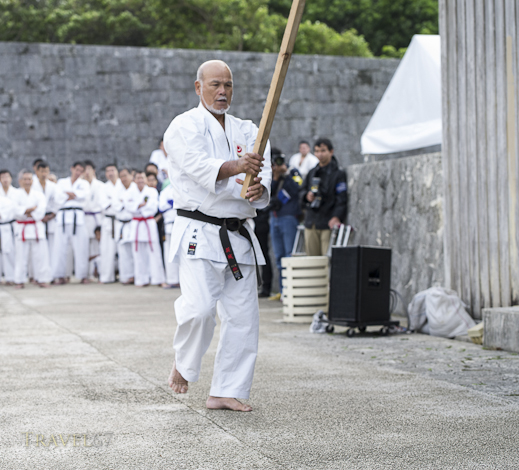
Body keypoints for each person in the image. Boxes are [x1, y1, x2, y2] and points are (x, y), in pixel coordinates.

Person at [163, 59, 271, 412]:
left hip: (239, 235)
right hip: (200, 231)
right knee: (199, 311)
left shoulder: (249, 129)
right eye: (214, 85)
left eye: (227, 85)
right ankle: (184, 361)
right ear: (199, 88)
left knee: (243, 319)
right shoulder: (183, 126)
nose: (222, 91)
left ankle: (225, 389)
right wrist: (238, 167)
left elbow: (262, 167)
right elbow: (197, 168)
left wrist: (259, 187)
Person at [300, 138, 347, 256]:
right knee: (312, 261)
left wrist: (336, 216)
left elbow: (341, 198)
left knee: (327, 261)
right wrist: (307, 197)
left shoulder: (338, 174)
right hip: (311, 221)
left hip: (328, 222)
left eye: (323, 151)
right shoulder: (312, 172)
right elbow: (301, 192)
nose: (319, 154)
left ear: (331, 151)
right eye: (316, 151)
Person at [269, 149, 302, 298]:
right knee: (279, 257)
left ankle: (292, 291)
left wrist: (286, 173)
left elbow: (299, 188)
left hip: (288, 217)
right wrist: (275, 177)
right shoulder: (270, 175)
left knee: (290, 255)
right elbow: (267, 195)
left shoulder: (293, 172)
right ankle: (284, 293)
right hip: (274, 218)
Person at [123, 171, 165, 287]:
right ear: (134, 179)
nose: (140, 180)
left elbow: (153, 207)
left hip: (148, 222)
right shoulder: (129, 192)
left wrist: (137, 207)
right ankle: (141, 279)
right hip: (136, 223)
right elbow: (128, 207)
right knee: (138, 253)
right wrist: (139, 205)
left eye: (142, 178)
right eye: (138, 178)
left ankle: (158, 278)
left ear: (146, 179)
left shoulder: (152, 191)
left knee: (154, 251)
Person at [52, 161, 91, 284]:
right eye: (77, 169)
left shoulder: (84, 183)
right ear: (72, 169)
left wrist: (70, 194)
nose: (78, 172)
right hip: (63, 217)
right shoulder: (62, 182)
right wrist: (74, 196)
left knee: (81, 247)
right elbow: (57, 197)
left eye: (81, 171)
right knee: (60, 247)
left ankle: (83, 275)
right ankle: (60, 275)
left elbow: (85, 196)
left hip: (77, 217)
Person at [12, 170, 51, 289]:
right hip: (22, 228)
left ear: (33, 181)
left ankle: (42, 279)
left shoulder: (39, 194)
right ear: (20, 181)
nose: (27, 182)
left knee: (41, 256)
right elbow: (15, 211)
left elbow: (41, 211)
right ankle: (19, 280)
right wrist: (29, 210)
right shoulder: (16, 194)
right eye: (25, 179)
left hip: (36, 228)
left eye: (29, 179)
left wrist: (25, 211)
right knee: (20, 257)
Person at [99, 163, 123, 284]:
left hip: (121, 221)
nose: (110, 173)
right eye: (108, 171)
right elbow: (104, 205)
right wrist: (117, 203)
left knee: (124, 250)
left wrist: (114, 203)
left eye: (112, 170)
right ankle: (107, 277)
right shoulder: (103, 188)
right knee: (106, 250)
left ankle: (126, 276)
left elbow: (124, 204)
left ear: (117, 171)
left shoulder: (123, 185)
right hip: (108, 221)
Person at [82, 160, 105, 278]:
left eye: (89, 169)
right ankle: (86, 273)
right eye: (84, 170)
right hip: (84, 217)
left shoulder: (100, 185)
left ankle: (98, 271)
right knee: (84, 246)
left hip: (96, 217)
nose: (86, 172)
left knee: (97, 245)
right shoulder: (80, 185)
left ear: (93, 171)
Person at [33, 162, 59, 261]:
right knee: (39, 246)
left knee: (52, 246)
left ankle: (52, 272)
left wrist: (51, 215)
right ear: (37, 172)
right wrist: (39, 215)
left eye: (46, 171)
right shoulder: (32, 185)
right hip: (37, 218)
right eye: (42, 171)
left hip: (51, 217)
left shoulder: (53, 186)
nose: (44, 174)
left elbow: (58, 202)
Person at [114, 168, 136, 285]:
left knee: (135, 251)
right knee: (123, 253)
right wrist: (125, 203)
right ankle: (126, 276)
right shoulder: (117, 189)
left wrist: (125, 203)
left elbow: (135, 205)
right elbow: (115, 205)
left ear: (131, 175)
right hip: (121, 223)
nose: (123, 178)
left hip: (133, 223)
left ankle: (136, 275)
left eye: (125, 175)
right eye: (121, 176)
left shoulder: (135, 188)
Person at [158, 182, 180, 288]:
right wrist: (172, 205)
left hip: (180, 225)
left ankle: (182, 279)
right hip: (168, 225)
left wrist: (172, 204)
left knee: (182, 253)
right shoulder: (165, 191)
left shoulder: (181, 186)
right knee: (169, 253)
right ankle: (172, 279)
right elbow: (161, 207)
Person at [0, 170, 17, 284]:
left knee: (10, 251)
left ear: (11, 178)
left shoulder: (16, 193)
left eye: (7, 177)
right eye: (2, 177)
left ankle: (11, 277)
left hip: (11, 224)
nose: (5, 179)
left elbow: (16, 208)